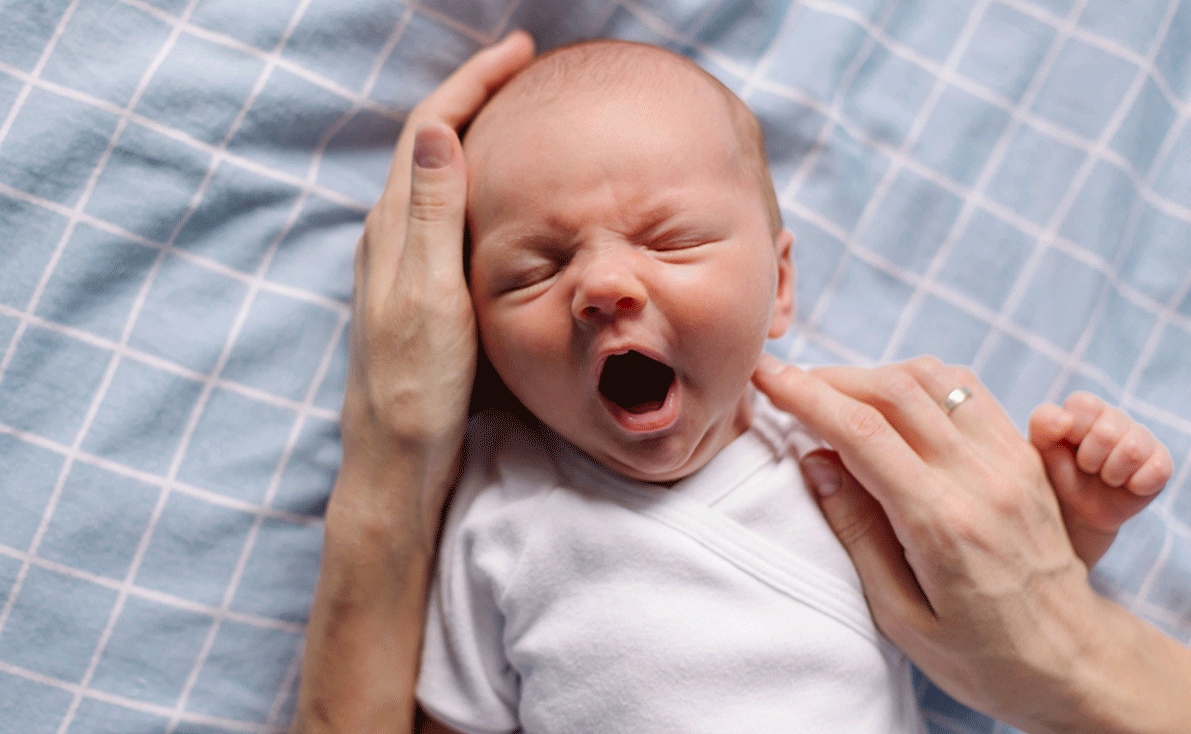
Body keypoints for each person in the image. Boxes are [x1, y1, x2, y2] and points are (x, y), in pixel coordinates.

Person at [296, 31, 1191, 734]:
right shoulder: (496, 517)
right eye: (532, 271)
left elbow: (999, 599)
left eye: (673, 240)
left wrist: (1077, 516)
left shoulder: (841, 458)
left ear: (781, 285)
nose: (603, 285)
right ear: (474, 334)